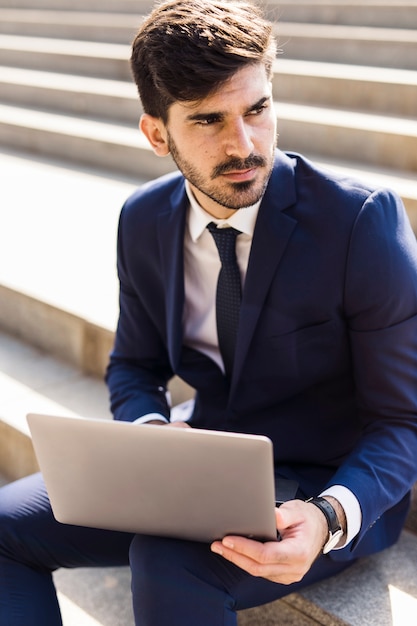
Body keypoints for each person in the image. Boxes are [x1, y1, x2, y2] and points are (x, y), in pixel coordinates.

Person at [1, 0, 417, 624]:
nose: (243, 144)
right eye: (208, 120)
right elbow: (134, 366)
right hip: (199, 466)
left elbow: (402, 419)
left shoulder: (361, 221)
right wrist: (148, 435)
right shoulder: (143, 220)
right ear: (156, 133)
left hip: (327, 481)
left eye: (257, 109)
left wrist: (332, 515)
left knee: (167, 563)